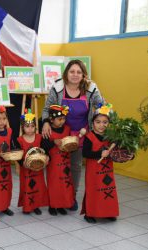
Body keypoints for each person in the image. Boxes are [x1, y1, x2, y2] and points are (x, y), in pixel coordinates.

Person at [41, 60, 104, 211]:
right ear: (66, 73)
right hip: (59, 133)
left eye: (78, 72)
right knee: (57, 167)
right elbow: (46, 108)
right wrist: (45, 122)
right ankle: (55, 197)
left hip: (80, 135)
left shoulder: (91, 88)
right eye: (72, 71)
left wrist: (103, 118)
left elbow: (102, 105)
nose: (75, 75)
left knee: (75, 166)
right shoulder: (57, 87)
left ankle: (72, 196)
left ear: (83, 75)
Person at [81, 104, 119, 223]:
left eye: (105, 122)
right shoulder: (89, 137)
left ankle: (108, 212)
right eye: (98, 122)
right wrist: (99, 153)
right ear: (93, 123)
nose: (101, 125)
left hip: (107, 171)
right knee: (94, 190)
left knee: (108, 190)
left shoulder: (111, 136)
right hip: (94, 171)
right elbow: (85, 153)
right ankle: (89, 213)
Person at [41, 105, 75, 216]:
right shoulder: (48, 131)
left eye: (63, 119)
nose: (62, 122)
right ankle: (53, 205)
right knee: (54, 184)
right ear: (51, 119)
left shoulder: (67, 129)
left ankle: (62, 205)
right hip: (53, 165)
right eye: (59, 119)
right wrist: (53, 142)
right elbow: (43, 145)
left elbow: (71, 144)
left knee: (65, 184)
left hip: (65, 163)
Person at [16, 110, 49, 215]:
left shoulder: (39, 138)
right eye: (27, 126)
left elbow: (45, 151)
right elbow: (18, 156)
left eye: (32, 126)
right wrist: (22, 163)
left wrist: (47, 158)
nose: (30, 129)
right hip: (26, 171)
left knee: (38, 186)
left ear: (35, 127)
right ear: (22, 127)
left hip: (38, 169)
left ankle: (36, 205)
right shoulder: (19, 140)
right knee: (27, 187)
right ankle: (27, 206)